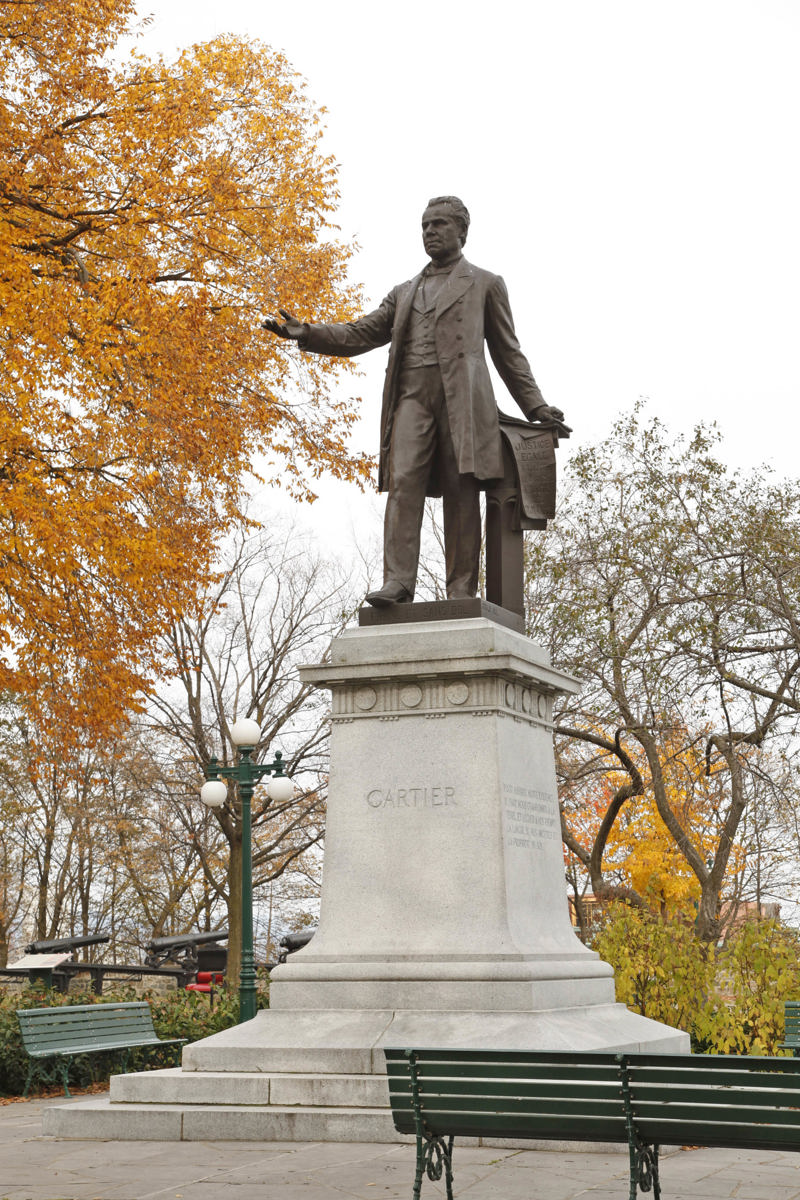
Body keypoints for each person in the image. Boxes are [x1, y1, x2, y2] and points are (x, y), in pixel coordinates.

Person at [263, 195, 565, 606]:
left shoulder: (485, 284)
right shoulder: (404, 292)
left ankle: (461, 589)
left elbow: (508, 353)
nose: (430, 232)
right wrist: (310, 333)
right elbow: (360, 332)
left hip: (463, 402)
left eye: (439, 224)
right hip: (412, 397)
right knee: (403, 481)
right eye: (425, 225)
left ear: (462, 231)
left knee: (462, 490)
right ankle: (398, 583)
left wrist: (537, 407)